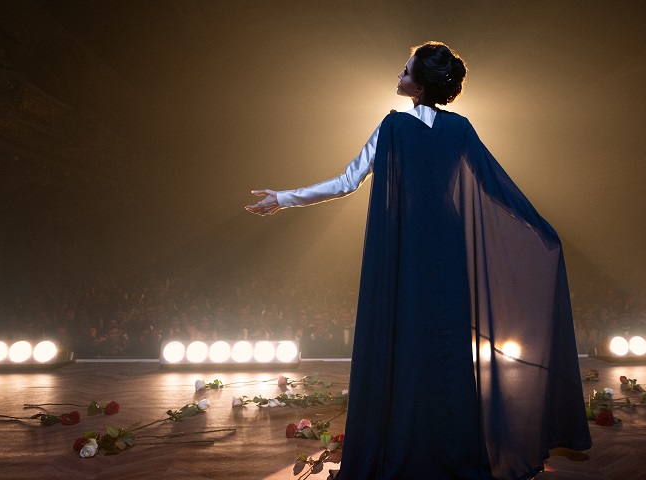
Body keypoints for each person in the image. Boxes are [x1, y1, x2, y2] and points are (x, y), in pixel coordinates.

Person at [246, 41, 591, 480]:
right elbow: (498, 188)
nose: (398, 76)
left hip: (406, 244)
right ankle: (449, 449)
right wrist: (541, 228)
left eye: (404, 70)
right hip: (445, 243)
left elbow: (346, 182)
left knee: (406, 344)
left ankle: (407, 446)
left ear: (420, 83)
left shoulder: (392, 127)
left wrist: (284, 198)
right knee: (445, 347)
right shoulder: (460, 128)